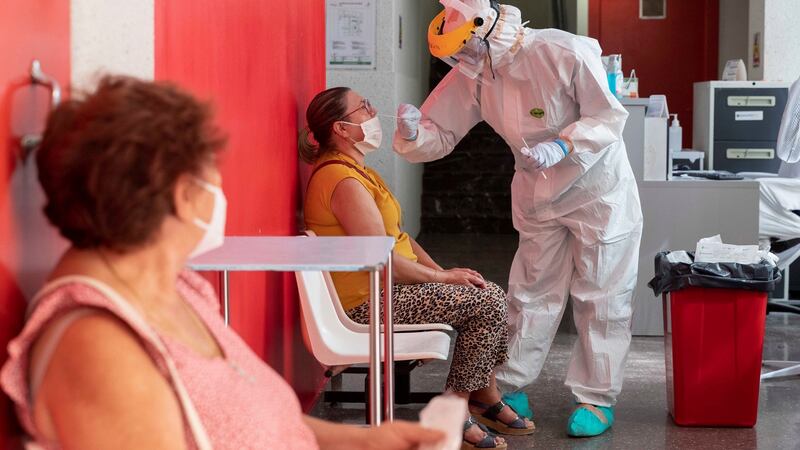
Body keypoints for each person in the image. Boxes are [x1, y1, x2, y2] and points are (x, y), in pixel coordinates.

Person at [0, 76, 447, 450]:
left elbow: (247, 416)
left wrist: (366, 441)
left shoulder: (175, 288)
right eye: (210, 168)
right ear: (181, 192)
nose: (218, 186)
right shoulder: (98, 347)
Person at [392, 0, 643, 438]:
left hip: (597, 189)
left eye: (465, 49)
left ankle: (597, 397)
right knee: (530, 292)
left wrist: (565, 144)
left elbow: (607, 115)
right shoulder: (476, 72)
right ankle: (509, 384)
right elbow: (443, 129)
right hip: (538, 192)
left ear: (485, 31)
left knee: (601, 292)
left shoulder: (562, 51)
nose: (462, 61)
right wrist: (415, 133)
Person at [300, 86, 535, 448]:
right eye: (363, 108)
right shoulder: (341, 180)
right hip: (367, 305)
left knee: (480, 291)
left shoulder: (356, 172)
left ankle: (483, 394)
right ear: (341, 129)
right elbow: (380, 257)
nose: (373, 111)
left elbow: (400, 238)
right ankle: (456, 408)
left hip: (388, 290)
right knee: (487, 302)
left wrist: (446, 274)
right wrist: (442, 278)